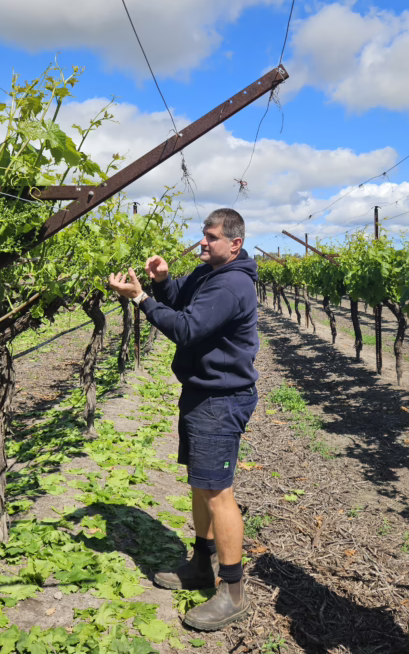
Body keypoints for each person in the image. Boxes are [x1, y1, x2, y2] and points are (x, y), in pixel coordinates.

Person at [107, 207, 259, 632]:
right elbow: (180, 301)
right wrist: (161, 282)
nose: (203, 242)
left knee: (218, 493)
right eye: (203, 235)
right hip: (201, 393)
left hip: (220, 400)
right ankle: (200, 564)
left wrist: (141, 299)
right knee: (200, 483)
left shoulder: (231, 284)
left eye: (212, 237)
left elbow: (187, 328)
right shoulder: (209, 273)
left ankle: (233, 591)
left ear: (235, 244)